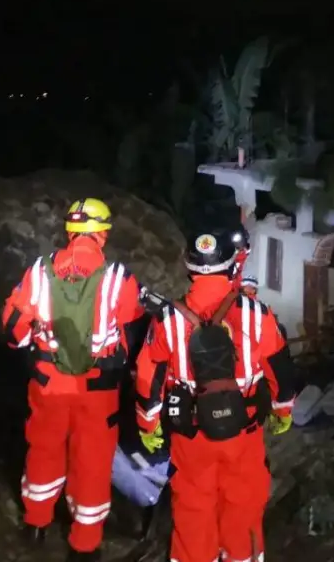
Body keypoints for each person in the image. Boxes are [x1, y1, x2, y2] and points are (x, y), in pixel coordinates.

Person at [134, 229, 299, 562]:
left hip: (191, 435)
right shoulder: (257, 314)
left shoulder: (168, 319)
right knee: (244, 505)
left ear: (189, 267)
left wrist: (148, 423)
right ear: (231, 265)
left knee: (194, 510)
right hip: (244, 432)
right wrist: (283, 411)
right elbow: (279, 368)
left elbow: (149, 375)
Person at [1, 197, 148, 562]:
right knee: (93, 461)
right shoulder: (119, 279)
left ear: (70, 230)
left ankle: (36, 522)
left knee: (45, 447)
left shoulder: (38, 271)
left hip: (49, 383)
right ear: (102, 233)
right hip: (97, 391)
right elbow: (132, 339)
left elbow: (12, 330)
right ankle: (84, 544)